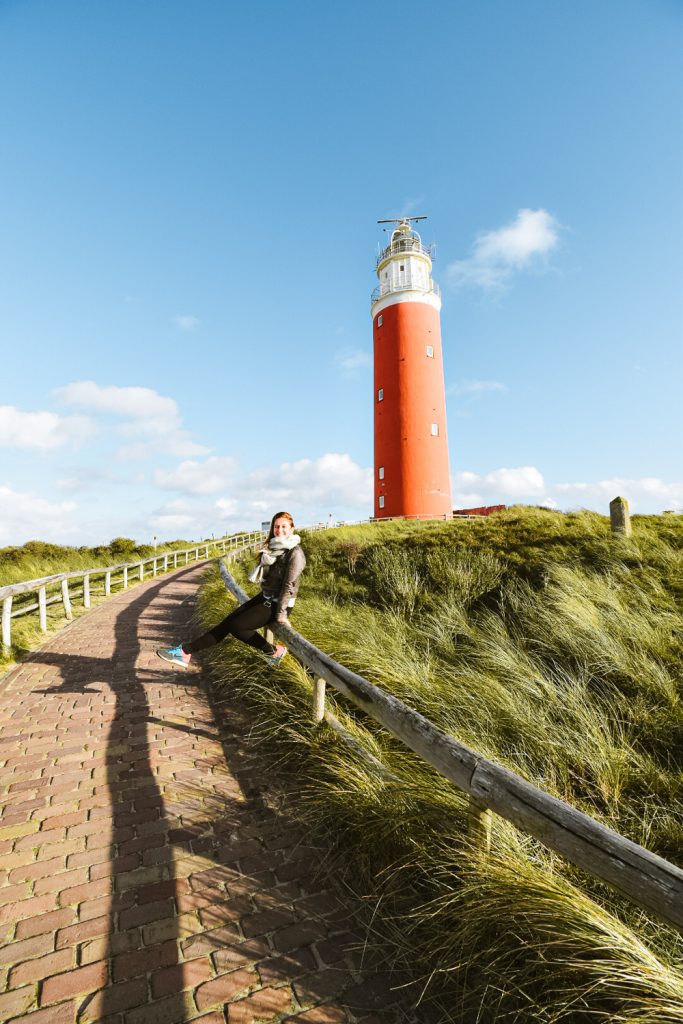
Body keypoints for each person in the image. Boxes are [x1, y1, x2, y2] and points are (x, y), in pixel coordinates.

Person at [156, 511, 306, 669]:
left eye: (284, 526)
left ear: (292, 529)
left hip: (278, 604)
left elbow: (288, 586)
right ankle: (185, 652)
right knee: (227, 623)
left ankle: (273, 652)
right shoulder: (275, 548)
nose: (279, 530)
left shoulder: (295, 554)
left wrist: (281, 614)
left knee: (237, 626)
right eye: (276, 526)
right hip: (266, 597)